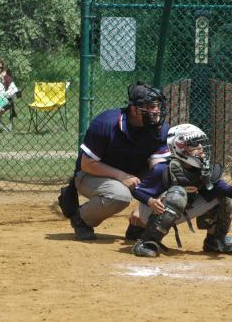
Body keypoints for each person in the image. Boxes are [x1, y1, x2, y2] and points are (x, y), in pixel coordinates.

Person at [61, 81, 170, 240]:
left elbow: (157, 168)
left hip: (132, 174)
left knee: (168, 184)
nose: (156, 111)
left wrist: (144, 205)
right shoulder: (107, 123)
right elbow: (87, 164)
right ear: (134, 109)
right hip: (91, 175)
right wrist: (121, 176)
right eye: (150, 106)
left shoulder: (160, 129)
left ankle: (138, 224)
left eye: (158, 106)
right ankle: (81, 219)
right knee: (119, 195)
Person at [129, 123, 232, 258]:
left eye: (201, 143)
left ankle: (216, 241)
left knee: (224, 198)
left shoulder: (204, 170)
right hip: (153, 212)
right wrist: (151, 201)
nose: (200, 147)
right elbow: (137, 190)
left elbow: (226, 190)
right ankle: (146, 242)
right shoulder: (163, 169)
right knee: (177, 194)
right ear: (179, 147)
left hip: (179, 211)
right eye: (195, 144)